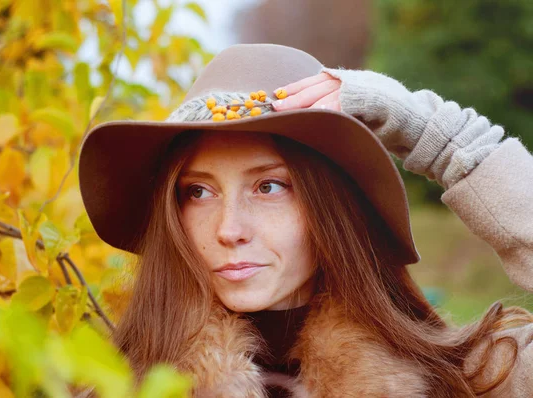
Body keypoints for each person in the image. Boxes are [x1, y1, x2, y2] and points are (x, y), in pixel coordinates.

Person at [77, 44, 533, 397]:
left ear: (330, 208)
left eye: (269, 187)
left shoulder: (469, 378)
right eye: (198, 192)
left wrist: (434, 136)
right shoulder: (110, 386)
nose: (228, 228)